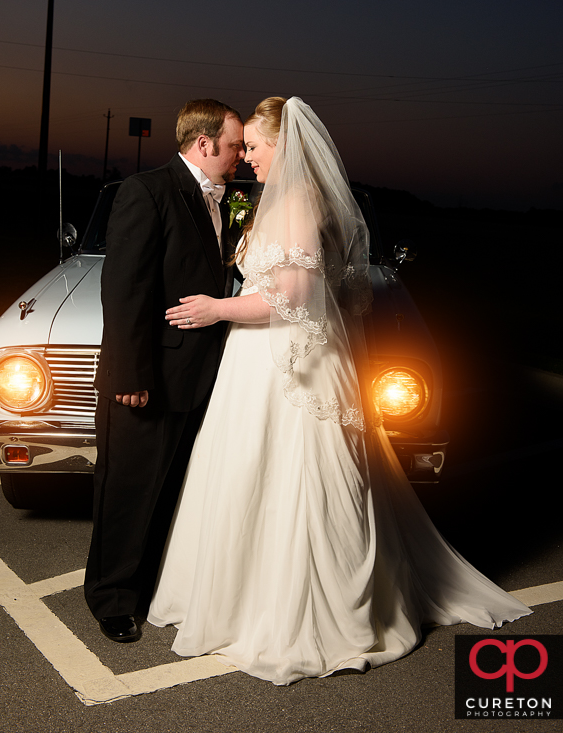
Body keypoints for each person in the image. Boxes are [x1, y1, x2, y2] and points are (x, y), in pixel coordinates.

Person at [147, 96, 531, 683]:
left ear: (284, 144)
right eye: (242, 146)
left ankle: (303, 613)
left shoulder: (297, 202)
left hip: (287, 367)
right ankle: (246, 598)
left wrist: (216, 308)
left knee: (294, 479)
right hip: (260, 360)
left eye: (253, 145)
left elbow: (295, 295)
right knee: (251, 474)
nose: (246, 156)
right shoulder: (288, 200)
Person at [84, 98, 245, 643]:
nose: (241, 155)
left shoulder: (222, 199)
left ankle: (148, 585)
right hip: (145, 379)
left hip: (194, 377)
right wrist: (129, 376)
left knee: (167, 487)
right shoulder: (146, 191)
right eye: (234, 145)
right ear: (205, 144)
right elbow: (125, 291)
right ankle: (110, 598)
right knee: (126, 490)